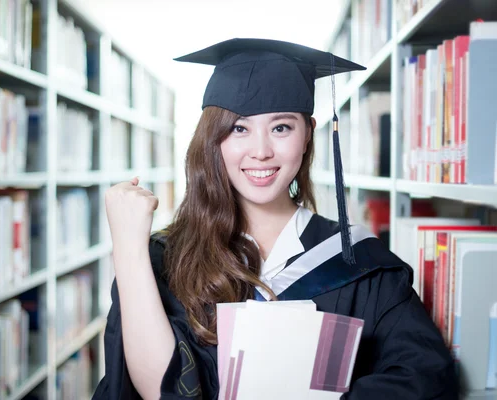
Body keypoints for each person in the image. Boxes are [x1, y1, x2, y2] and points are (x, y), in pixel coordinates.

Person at [92, 38, 458, 400]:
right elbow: (159, 389)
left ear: (307, 134)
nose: (262, 151)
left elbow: (424, 376)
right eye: (239, 128)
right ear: (213, 140)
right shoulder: (166, 259)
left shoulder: (361, 264)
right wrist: (127, 249)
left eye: (281, 127)